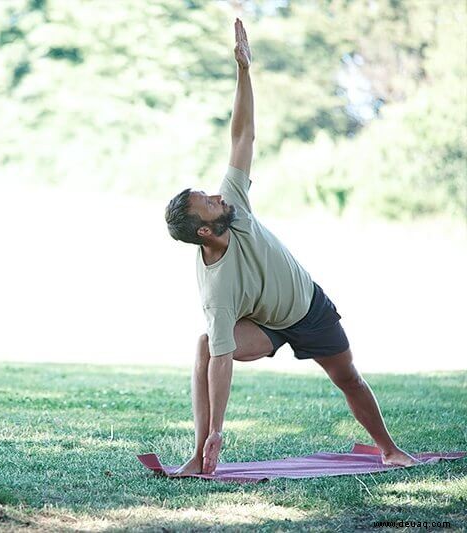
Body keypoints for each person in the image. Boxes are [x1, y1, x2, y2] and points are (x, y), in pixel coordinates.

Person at [163, 18, 416, 476]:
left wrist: (244, 71)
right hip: (265, 324)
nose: (217, 195)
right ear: (204, 231)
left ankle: (388, 448)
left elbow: (242, 136)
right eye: (207, 202)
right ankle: (202, 453)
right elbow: (222, 358)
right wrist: (219, 427)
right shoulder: (216, 290)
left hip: (308, 307)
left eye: (210, 192)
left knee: (349, 378)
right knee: (205, 345)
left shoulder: (234, 206)